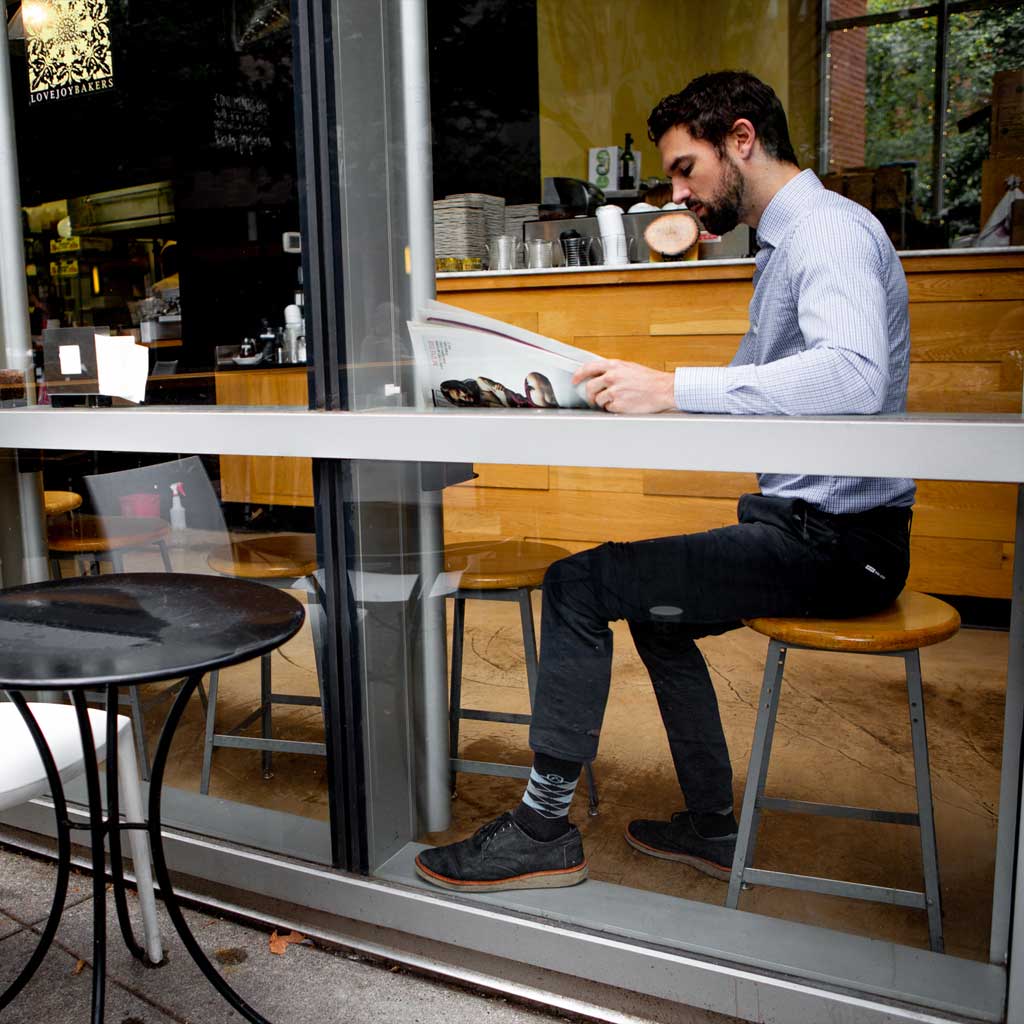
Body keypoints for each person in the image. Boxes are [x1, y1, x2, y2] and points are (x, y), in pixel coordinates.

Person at [415, 70, 915, 893]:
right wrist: (611, 394)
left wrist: (672, 387)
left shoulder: (825, 232)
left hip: (838, 546)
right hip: (810, 531)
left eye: (686, 168)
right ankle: (715, 827)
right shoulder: (790, 242)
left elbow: (854, 378)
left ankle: (542, 828)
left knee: (579, 585)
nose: (676, 190)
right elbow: (765, 393)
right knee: (653, 612)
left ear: (742, 140)